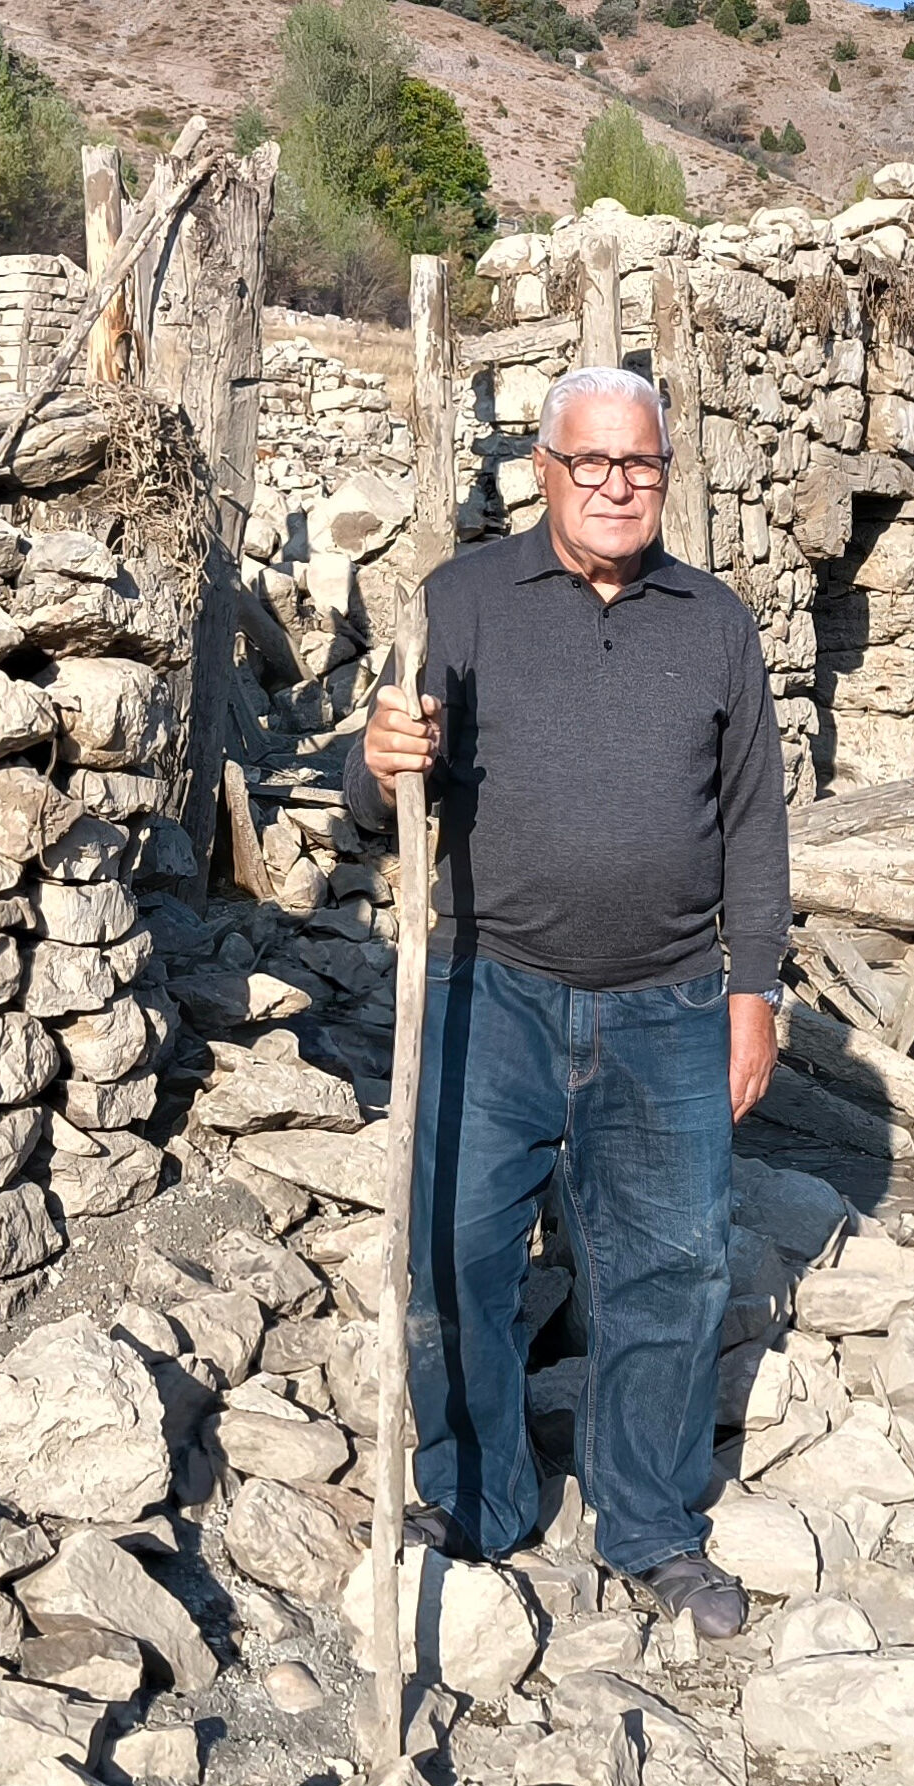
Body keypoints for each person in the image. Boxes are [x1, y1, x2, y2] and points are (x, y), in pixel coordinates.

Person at [349, 365, 787, 1640]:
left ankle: (650, 1524)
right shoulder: (462, 602)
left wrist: (749, 993)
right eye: (590, 462)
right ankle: (475, 1497)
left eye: (638, 465)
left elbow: (754, 826)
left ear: (665, 474)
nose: (614, 485)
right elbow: (383, 799)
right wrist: (377, 768)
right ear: (542, 468)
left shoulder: (714, 622)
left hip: (665, 1005)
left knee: (670, 1269)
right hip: (490, 990)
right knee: (454, 1255)